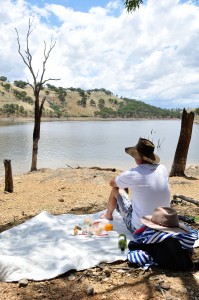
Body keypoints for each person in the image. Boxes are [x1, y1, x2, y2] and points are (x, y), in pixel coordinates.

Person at [101, 137, 171, 231]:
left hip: (140, 228)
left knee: (116, 189)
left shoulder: (133, 173)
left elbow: (112, 183)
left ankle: (108, 215)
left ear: (138, 157)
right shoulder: (162, 168)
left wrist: (120, 178)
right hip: (164, 225)